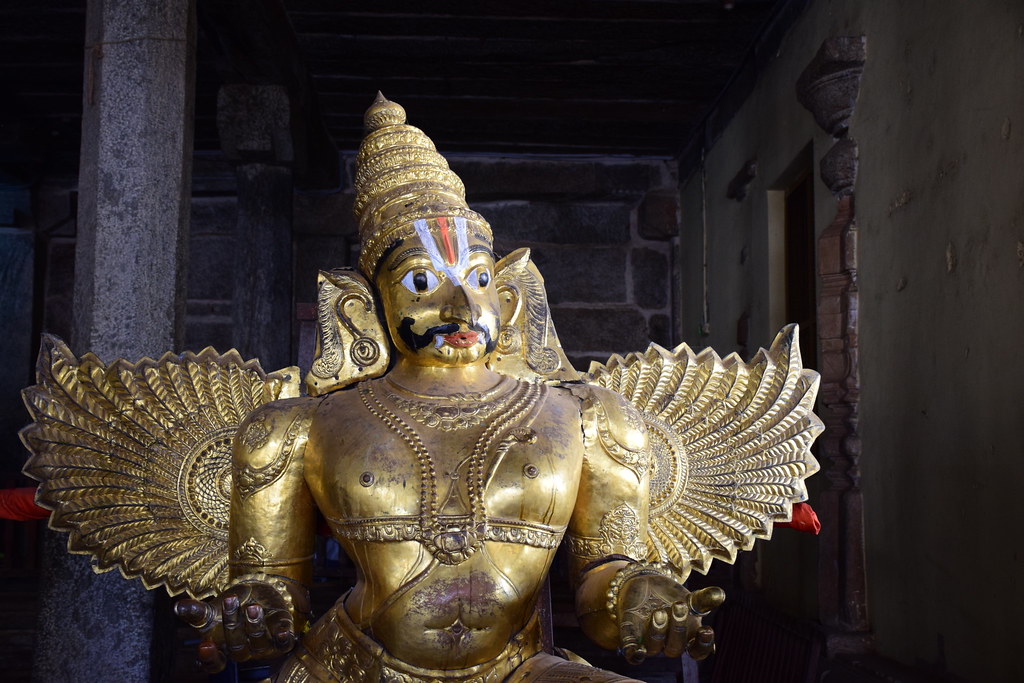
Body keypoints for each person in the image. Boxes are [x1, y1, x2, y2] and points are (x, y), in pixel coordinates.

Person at [175, 93, 722, 682]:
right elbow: (276, 595)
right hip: (349, 668)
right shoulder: (295, 429)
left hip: (517, 669)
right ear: (365, 309)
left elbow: (603, 588)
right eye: (421, 281)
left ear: (508, 298)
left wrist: (637, 594)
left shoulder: (589, 418)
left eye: (479, 279)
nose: (460, 306)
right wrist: (256, 612)